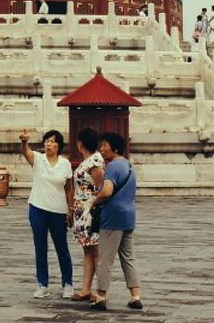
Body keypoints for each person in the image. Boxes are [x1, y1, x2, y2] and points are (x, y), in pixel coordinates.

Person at [89, 131, 142, 310]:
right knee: (128, 257)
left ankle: (101, 296)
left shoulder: (112, 167)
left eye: (105, 145)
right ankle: (135, 295)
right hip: (129, 216)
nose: (102, 149)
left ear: (115, 147)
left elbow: (107, 191)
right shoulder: (128, 165)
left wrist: (94, 202)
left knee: (105, 258)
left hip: (113, 218)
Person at [19, 129, 74, 299]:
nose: (48, 144)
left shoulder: (65, 164)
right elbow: (25, 152)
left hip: (58, 210)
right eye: (46, 141)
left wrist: (70, 209)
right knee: (40, 247)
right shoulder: (38, 159)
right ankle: (42, 284)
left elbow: (69, 188)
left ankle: (68, 283)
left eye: (52, 141)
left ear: (59, 145)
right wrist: (24, 142)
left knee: (61, 248)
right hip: (38, 208)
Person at [70, 128, 105, 302]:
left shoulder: (95, 162)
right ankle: (86, 288)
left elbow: (101, 188)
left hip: (91, 211)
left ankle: (100, 291)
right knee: (88, 250)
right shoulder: (87, 161)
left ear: (80, 143)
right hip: (81, 211)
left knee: (96, 250)